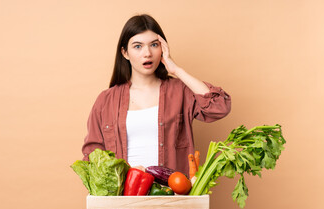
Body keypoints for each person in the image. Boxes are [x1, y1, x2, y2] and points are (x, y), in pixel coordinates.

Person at [82, 14, 231, 175]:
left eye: (154, 45)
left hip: (173, 194)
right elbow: (92, 155)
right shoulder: (106, 100)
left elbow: (219, 106)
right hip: (124, 195)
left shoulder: (180, 91)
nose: (147, 53)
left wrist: (176, 70)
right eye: (138, 46)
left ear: (163, 48)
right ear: (125, 53)